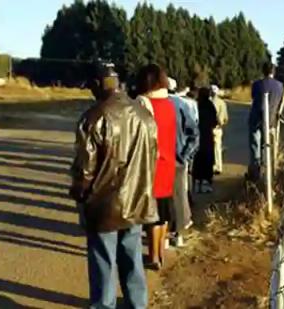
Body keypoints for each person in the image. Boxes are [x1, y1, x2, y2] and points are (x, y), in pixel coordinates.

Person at [70, 63, 158, 308]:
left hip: (103, 206)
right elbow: (152, 159)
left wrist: (79, 195)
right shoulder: (144, 115)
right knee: (132, 260)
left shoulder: (93, 117)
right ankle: (137, 305)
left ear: (98, 84)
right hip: (136, 202)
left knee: (103, 265)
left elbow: (84, 170)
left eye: (91, 87)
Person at [135, 64, 176, 269]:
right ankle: (160, 252)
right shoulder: (169, 104)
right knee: (163, 214)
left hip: (151, 166)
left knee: (152, 215)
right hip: (168, 164)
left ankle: (152, 256)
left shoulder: (143, 103)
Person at [168, 78, 199, 247]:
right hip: (178, 158)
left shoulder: (151, 104)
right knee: (179, 197)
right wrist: (185, 155)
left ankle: (162, 238)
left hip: (159, 159)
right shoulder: (183, 104)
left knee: (161, 199)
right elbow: (194, 133)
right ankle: (177, 235)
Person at [248, 62, 284, 181]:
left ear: (263, 71)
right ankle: (269, 175)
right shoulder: (280, 86)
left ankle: (255, 174)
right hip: (271, 122)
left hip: (256, 120)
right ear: (274, 72)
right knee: (268, 148)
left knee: (255, 148)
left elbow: (254, 97)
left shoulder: (257, 84)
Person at [192, 87, 218, 193]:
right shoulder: (210, 106)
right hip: (207, 136)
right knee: (207, 160)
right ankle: (206, 183)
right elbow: (214, 121)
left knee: (197, 160)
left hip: (198, 136)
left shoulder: (196, 105)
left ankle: (196, 183)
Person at [211, 85, 228, 175]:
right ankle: (218, 166)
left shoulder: (208, 103)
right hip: (219, 128)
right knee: (217, 147)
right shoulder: (222, 103)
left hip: (209, 128)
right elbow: (226, 118)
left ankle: (211, 166)